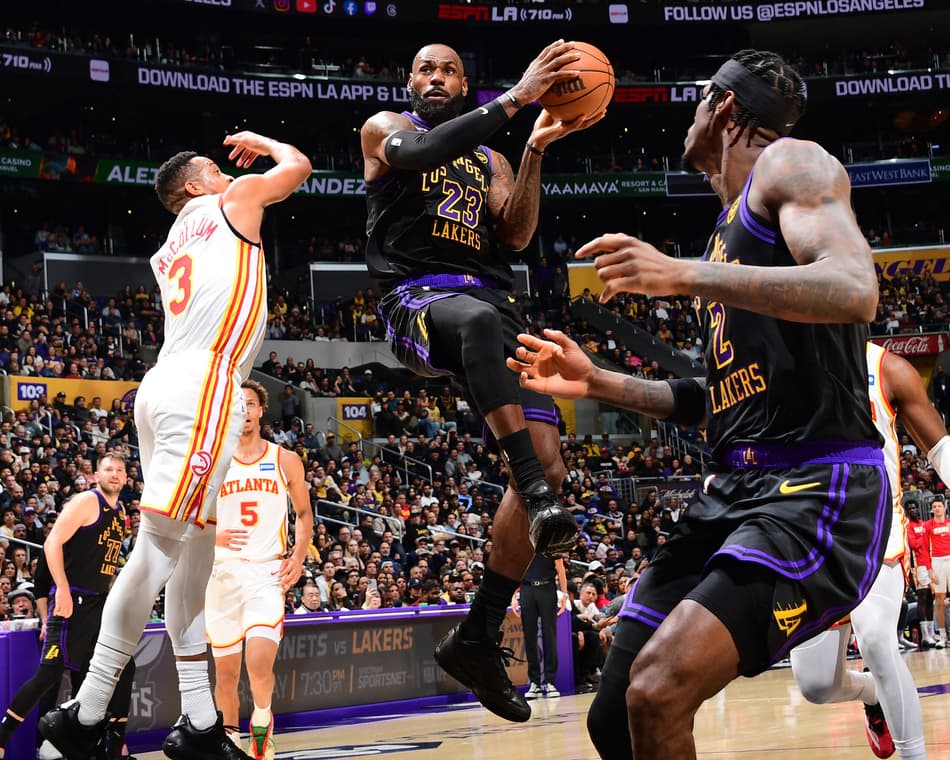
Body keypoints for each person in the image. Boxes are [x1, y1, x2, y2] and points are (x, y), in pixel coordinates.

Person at [506, 49, 886, 759]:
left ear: (725, 108)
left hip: (816, 487)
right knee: (614, 714)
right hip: (735, 488)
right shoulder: (725, 232)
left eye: (696, 103)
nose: (689, 117)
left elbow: (856, 286)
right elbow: (721, 402)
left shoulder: (791, 164)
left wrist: (680, 275)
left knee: (659, 689)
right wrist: (598, 383)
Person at [40, 130, 311, 760]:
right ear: (193, 186)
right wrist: (262, 143)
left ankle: (199, 724)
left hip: (166, 385)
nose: (226, 172)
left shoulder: (171, 245)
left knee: (196, 554)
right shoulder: (234, 198)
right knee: (160, 549)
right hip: (207, 386)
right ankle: (84, 713)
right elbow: (298, 166)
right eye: (214, 168)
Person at [360, 39, 601, 723]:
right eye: (424, 70)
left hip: (490, 306)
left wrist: (533, 151)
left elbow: (517, 236)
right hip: (416, 300)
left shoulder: (491, 156)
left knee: (553, 466)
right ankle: (526, 486)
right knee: (478, 326)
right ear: (409, 82)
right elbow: (413, 158)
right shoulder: (386, 129)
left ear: (465, 84)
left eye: (448, 71)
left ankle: (476, 634)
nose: (435, 78)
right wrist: (519, 97)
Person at [790, 342, 941, 760]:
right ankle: (873, 696)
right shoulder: (783, 364)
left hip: (877, 527)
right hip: (813, 537)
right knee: (817, 685)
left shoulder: (889, 367)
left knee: (876, 639)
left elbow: (940, 448)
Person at [205, 380, 313, 760]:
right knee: (227, 675)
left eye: (250, 404)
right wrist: (215, 538)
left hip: (266, 573)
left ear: (260, 409)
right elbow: (190, 517)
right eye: (238, 405)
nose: (245, 411)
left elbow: (303, 514)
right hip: (220, 576)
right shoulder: (214, 461)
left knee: (258, 663)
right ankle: (231, 745)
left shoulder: (284, 459)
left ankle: (263, 727)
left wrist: (297, 558)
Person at [0, 455, 134, 760]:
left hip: (98, 604)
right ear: (97, 474)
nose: (114, 475)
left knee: (122, 667)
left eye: (119, 471)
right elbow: (51, 544)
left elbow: (102, 564)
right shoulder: (87, 501)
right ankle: (3, 736)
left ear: (126, 477)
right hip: (73, 600)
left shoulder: (121, 511)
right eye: (108, 470)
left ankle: (112, 746)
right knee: (48, 675)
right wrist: (60, 588)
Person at [512, 554, 569, 699]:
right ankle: (535, 683)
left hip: (547, 587)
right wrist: (513, 595)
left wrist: (564, 594)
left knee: (549, 635)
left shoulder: (551, 541)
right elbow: (516, 568)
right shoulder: (524, 541)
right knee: (529, 637)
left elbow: (560, 568)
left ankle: (550, 682)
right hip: (526, 589)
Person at [905, 502, 938, 648]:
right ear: (907, 512)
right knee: (922, 598)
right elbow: (913, 544)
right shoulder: (908, 526)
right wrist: (924, 537)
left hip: (930, 564)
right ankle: (924, 635)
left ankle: (931, 633)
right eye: (910, 508)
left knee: (930, 598)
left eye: (915, 507)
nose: (914, 510)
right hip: (919, 566)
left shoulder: (924, 524)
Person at [925, 498, 950, 643]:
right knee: (939, 600)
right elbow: (924, 550)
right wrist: (929, 570)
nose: (937, 508)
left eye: (939, 506)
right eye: (934, 506)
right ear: (932, 510)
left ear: (944, 508)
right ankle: (942, 635)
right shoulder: (928, 526)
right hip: (937, 562)